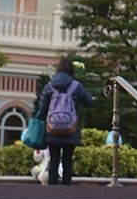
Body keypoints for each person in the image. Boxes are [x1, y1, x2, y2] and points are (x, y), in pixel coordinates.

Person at [35, 57, 95, 187]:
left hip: (52, 128)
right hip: (70, 129)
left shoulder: (49, 86)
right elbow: (89, 103)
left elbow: (42, 108)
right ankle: (67, 191)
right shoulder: (76, 86)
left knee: (54, 159)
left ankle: (52, 191)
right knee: (68, 160)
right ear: (71, 70)